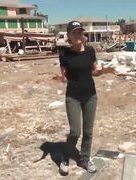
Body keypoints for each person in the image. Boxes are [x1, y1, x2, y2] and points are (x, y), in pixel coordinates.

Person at [58, 21, 114, 175]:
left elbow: (95, 71)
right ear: (69, 35)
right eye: (74, 32)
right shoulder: (64, 54)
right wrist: (61, 77)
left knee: (88, 132)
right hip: (73, 97)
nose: (78, 35)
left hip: (90, 95)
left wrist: (104, 71)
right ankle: (65, 157)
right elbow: (63, 75)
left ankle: (84, 158)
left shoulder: (90, 51)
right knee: (75, 131)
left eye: (80, 32)